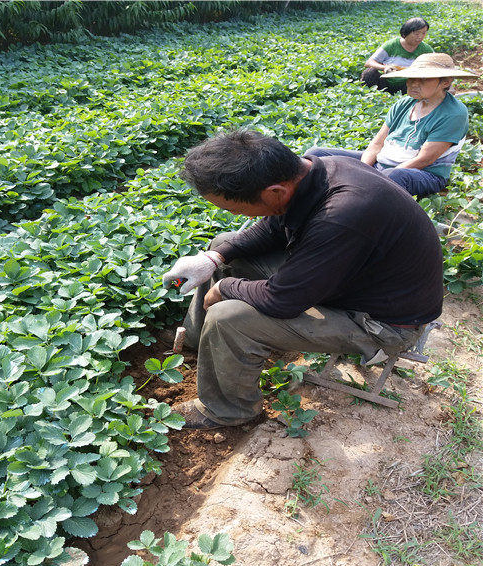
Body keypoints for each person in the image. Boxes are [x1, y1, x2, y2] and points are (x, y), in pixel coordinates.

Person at [162, 130, 443, 430]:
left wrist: (225, 287)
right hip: (352, 280)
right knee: (225, 244)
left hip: (381, 323)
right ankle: (195, 338)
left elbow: (284, 299)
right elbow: (271, 230)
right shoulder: (316, 171)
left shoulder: (342, 214)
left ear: (274, 192)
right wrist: (213, 259)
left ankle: (228, 410)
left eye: (233, 208)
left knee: (228, 317)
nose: (233, 212)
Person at [308, 53, 475, 198]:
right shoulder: (404, 103)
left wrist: (375, 176)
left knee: (394, 175)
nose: (413, 83)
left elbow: (424, 160)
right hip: (381, 164)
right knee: (316, 154)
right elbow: (377, 144)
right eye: (412, 78)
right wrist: (362, 171)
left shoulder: (454, 113)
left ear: (445, 82)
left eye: (423, 79)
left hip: (422, 173)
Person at [361, 17, 433, 94]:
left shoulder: (426, 49)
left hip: (408, 85)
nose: (420, 36)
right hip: (386, 83)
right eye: (417, 33)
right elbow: (369, 62)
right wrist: (385, 67)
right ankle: (371, 96)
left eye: (424, 33)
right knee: (369, 73)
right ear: (406, 32)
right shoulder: (391, 45)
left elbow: (436, 67)